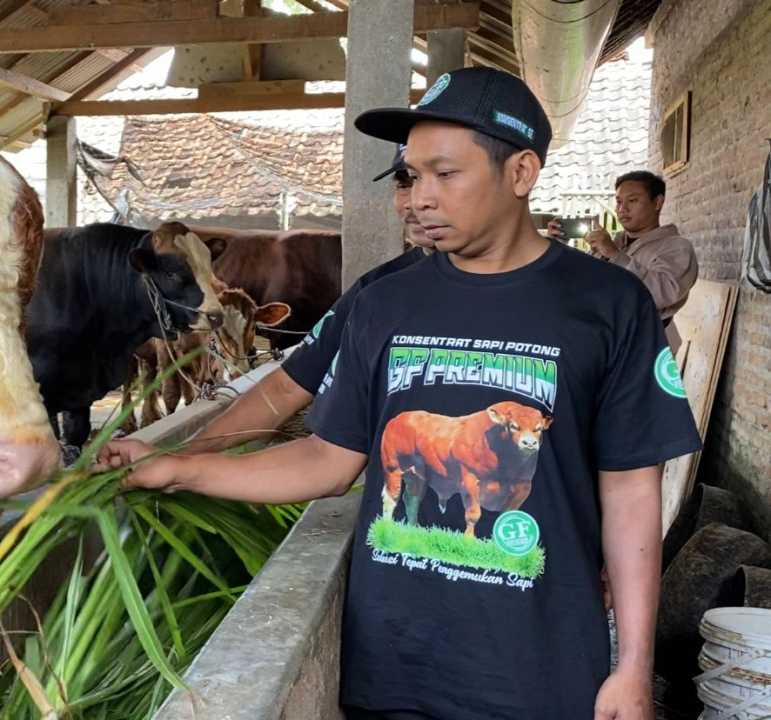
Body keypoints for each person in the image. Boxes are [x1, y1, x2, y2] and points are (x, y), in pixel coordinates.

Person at [99, 67, 702, 720]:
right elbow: (326, 460)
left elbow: (631, 489)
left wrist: (633, 665)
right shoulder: (383, 302)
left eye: (446, 173)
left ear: (521, 172)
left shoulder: (610, 303)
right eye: (412, 176)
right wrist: (178, 467)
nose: (420, 198)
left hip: (540, 665)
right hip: (393, 664)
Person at [157, 145, 437, 457]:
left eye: (445, 175)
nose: (416, 200)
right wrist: (179, 456)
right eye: (406, 182)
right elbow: (288, 388)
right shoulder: (374, 292)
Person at [548, 171, 697, 353]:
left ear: (658, 202)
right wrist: (558, 247)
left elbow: (661, 293)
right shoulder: (616, 242)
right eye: (618, 202)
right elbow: (579, 282)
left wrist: (616, 255)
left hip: (647, 347)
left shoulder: (676, 247)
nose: (622, 209)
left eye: (632, 200)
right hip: (604, 344)